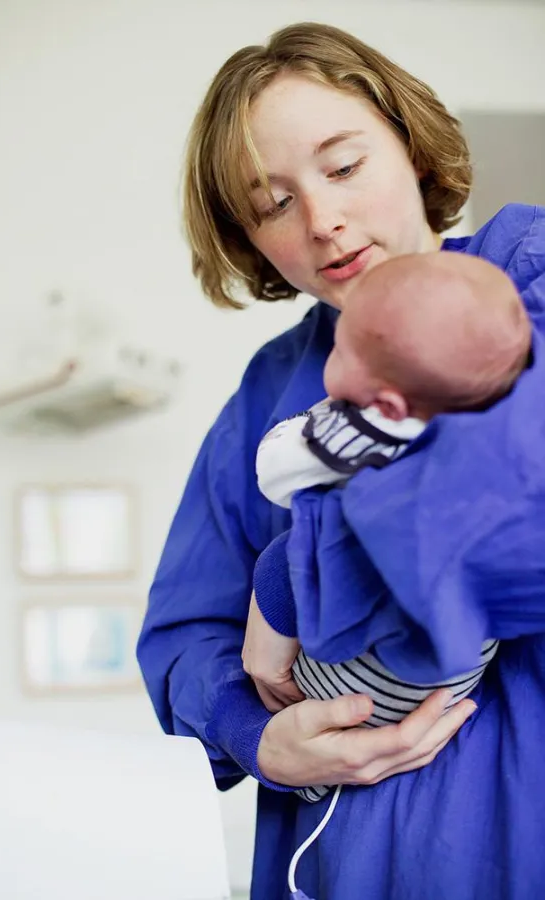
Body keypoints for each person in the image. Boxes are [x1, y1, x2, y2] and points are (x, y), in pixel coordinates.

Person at [137, 21, 545, 900]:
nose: (322, 219)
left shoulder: (526, 274)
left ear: (413, 149)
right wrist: (255, 734)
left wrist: (289, 579)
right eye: (272, 201)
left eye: (344, 165)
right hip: (334, 864)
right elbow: (180, 636)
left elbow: (505, 517)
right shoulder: (270, 389)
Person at [253, 251, 530, 801]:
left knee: (290, 552)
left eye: (342, 349)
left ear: (386, 400)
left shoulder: (366, 426)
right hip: (448, 689)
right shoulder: (507, 440)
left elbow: (274, 471)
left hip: (339, 686)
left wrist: (316, 423)